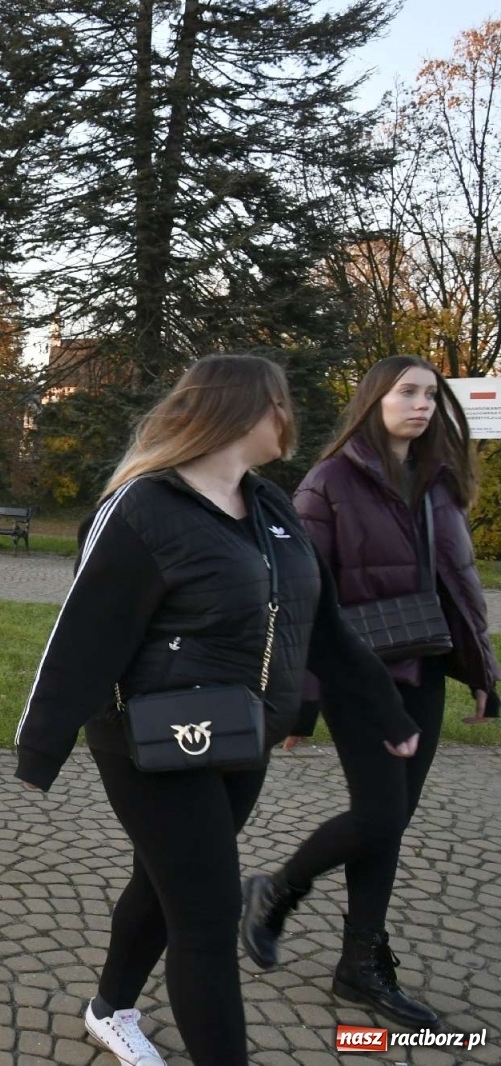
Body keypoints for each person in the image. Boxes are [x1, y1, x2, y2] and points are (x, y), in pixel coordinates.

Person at [14, 355, 419, 1066]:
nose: (289, 418)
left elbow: (320, 628)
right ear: (241, 412)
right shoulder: (144, 508)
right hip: (149, 742)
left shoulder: (269, 509)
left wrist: (389, 715)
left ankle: (109, 1008)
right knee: (206, 915)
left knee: (163, 880)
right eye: (279, 404)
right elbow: (81, 633)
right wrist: (39, 745)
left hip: (238, 737)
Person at [239, 355, 495, 1030]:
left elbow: (461, 587)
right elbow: (301, 599)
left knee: (391, 824)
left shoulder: (438, 481)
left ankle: (360, 965)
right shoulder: (328, 484)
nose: (422, 405)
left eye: (432, 396)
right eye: (407, 392)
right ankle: (275, 891)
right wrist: (302, 701)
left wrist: (483, 674)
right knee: (379, 816)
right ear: (373, 399)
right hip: (362, 677)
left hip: (426, 671)